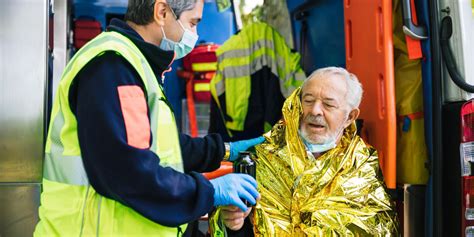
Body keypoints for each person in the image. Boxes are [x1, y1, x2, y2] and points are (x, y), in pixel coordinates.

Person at [34, 0, 263, 236]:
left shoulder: (135, 64)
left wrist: (224, 150)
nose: (195, 35)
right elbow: (128, 171)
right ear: (162, 12)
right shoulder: (113, 66)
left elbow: (160, 146)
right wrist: (208, 192)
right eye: (192, 23)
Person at [210, 67, 399, 236]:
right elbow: (228, 221)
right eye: (308, 101)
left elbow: (376, 228)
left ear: (350, 117)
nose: (315, 111)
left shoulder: (360, 168)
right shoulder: (264, 155)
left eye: (328, 104)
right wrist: (233, 224)